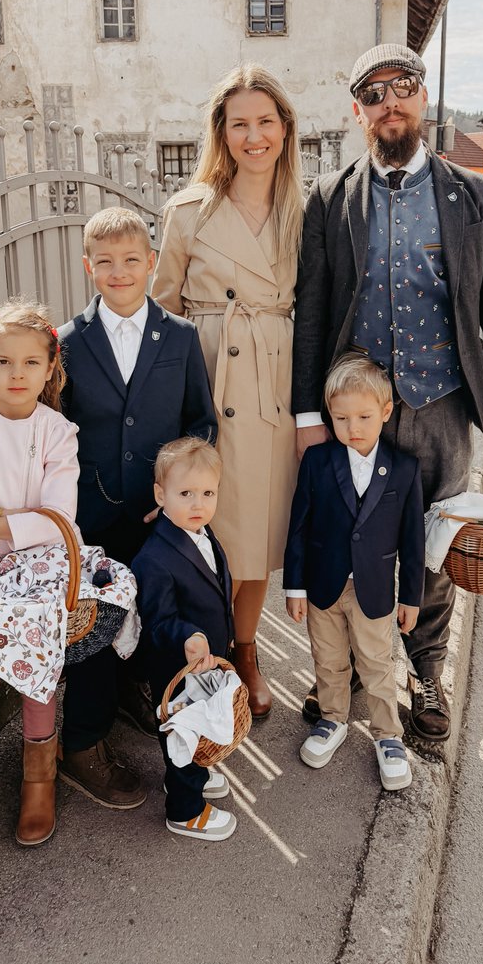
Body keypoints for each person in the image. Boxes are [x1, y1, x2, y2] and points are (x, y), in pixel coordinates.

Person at [292, 42, 483, 741]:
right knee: (344, 536)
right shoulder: (331, 198)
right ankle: (348, 671)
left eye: (402, 87)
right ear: (358, 112)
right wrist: (310, 414)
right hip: (353, 411)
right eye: (374, 93)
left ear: (423, 98)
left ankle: (423, 673)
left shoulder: (473, 195)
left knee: (433, 549)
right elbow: (313, 309)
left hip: (442, 406)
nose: (389, 103)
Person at [0, 298, 139, 860]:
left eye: (30, 364)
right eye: (3, 362)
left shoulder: (57, 430)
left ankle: (38, 782)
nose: (17, 375)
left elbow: (59, 516)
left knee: (39, 669)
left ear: (49, 369)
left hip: (36, 571)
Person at [152, 63, 304, 718]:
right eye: (239, 123)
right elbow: (159, 311)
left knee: (257, 531)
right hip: (210, 378)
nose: (253, 135)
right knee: (206, 525)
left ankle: (245, 650)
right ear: (221, 131)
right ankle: (197, 653)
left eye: (265, 121)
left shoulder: (306, 210)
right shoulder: (188, 211)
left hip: (275, 377)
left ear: (284, 128)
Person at [57, 207, 216, 810]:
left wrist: (175, 498)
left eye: (131, 261)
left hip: (159, 516)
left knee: (153, 613)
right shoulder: (69, 343)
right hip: (93, 515)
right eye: (105, 262)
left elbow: (199, 421)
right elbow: (57, 429)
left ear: (152, 263)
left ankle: (143, 696)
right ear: (88, 267)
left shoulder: (179, 336)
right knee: (94, 628)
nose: (119, 272)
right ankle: (83, 744)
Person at [284, 355, 423, 789]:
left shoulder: (404, 468)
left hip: (375, 589)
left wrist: (412, 597)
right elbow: (299, 525)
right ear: (330, 416)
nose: (353, 427)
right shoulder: (318, 461)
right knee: (328, 660)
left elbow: (413, 541)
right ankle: (332, 720)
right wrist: (294, 585)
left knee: (377, 663)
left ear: (386, 412)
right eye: (341, 418)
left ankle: (388, 736)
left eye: (364, 416)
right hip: (324, 587)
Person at [132, 438, 236, 841]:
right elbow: (157, 623)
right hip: (177, 664)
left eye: (208, 493)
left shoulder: (201, 532)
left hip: (203, 660)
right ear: (161, 495)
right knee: (182, 730)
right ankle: (185, 809)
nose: (199, 503)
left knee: (194, 733)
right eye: (186, 493)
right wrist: (189, 637)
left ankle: (189, 776)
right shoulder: (154, 558)